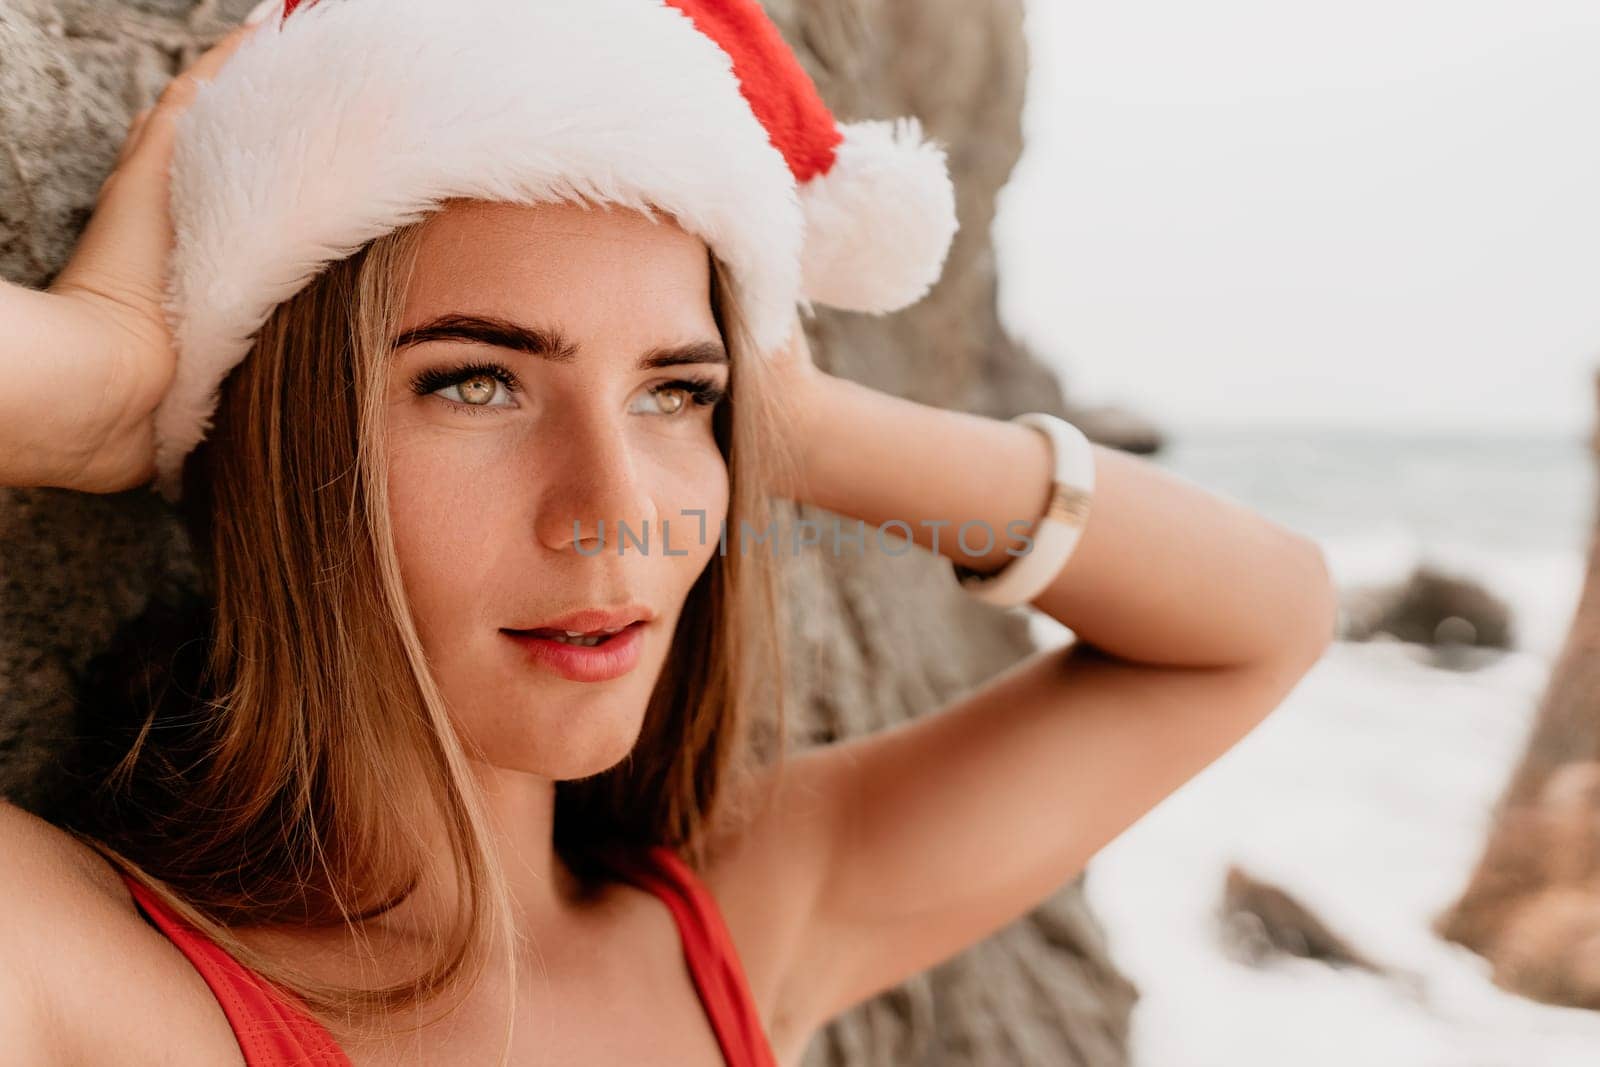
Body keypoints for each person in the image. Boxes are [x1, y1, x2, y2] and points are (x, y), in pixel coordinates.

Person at [0, 2, 1339, 1065]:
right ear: (269, 440)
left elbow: (1258, 624)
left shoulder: (748, 929)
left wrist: (792, 421)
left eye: (675, 392)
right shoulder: (76, 975)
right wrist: (99, 388)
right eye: (476, 382)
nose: (620, 509)